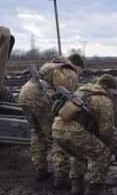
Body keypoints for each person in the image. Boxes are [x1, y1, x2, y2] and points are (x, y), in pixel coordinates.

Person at [18, 54, 85, 187]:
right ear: (76, 66)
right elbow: (69, 98)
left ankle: (40, 170)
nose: (81, 73)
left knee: (37, 133)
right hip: (40, 98)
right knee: (58, 135)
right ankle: (61, 177)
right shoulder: (69, 71)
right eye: (81, 70)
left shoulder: (49, 66)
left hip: (24, 95)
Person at [52, 74, 117, 195]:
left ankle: (76, 187)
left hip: (57, 130)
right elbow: (107, 131)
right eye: (114, 91)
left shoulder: (82, 90)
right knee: (104, 154)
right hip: (73, 132)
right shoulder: (104, 100)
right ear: (111, 88)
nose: (114, 94)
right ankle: (92, 189)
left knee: (80, 154)